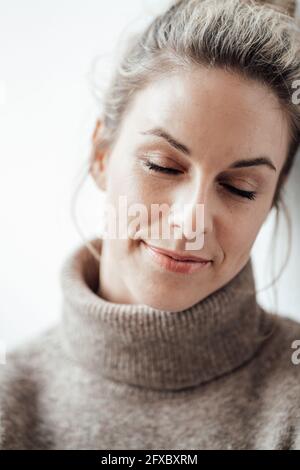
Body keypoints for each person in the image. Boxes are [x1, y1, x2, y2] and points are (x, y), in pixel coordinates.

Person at [1, 0, 300, 450]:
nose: (189, 225)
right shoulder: (12, 401)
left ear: (272, 201)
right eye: (162, 166)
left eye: (239, 188)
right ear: (101, 156)